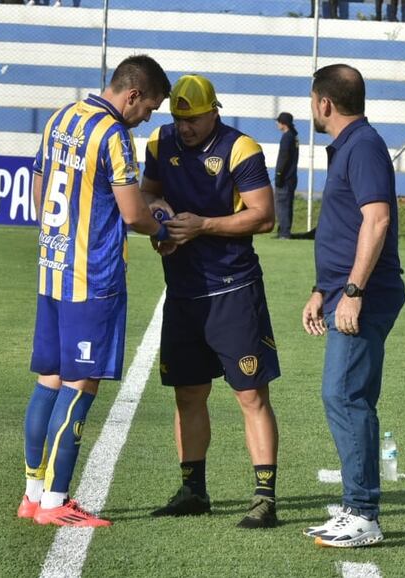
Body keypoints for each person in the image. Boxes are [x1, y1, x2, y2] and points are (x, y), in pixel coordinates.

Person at [17, 55, 171, 527]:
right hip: (93, 279)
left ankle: (32, 493)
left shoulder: (62, 116)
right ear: (133, 96)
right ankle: (57, 501)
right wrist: (163, 228)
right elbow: (131, 215)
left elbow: (41, 188)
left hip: (53, 270)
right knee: (80, 386)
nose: (147, 118)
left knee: (49, 380)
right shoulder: (113, 136)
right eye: (149, 108)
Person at [141, 74, 281, 529]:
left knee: (249, 393)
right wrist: (161, 220)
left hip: (233, 290)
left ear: (214, 111)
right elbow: (149, 193)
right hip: (182, 292)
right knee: (188, 393)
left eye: (194, 119)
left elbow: (263, 217)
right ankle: (193, 489)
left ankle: (264, 497)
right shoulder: (160, 143)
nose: (185, 128)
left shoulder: (242, 149)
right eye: (179, 119)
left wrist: (202, 225)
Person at [301, 64, 405, 548]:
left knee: (346, 396)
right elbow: (345, 226)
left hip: (366, 294)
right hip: (343, 291)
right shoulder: (349, 146)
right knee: (343, 394)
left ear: (324, 103)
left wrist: (354, 292)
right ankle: (354, 506)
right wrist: (323, 290)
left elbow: (377, 221)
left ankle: (363, 513)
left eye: (312, 100)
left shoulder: (362, 145)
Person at [274, 112, 299, 239]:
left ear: (283, 123)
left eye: (278, 121)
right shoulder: (293, 136)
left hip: (285, 178)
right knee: (287, 204)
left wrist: (278, 174)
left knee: (282, 204)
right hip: (291, 177)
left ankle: (284, 232)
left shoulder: (287, 137)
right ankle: (283, 230)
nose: (277, 124)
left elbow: (283, 157)